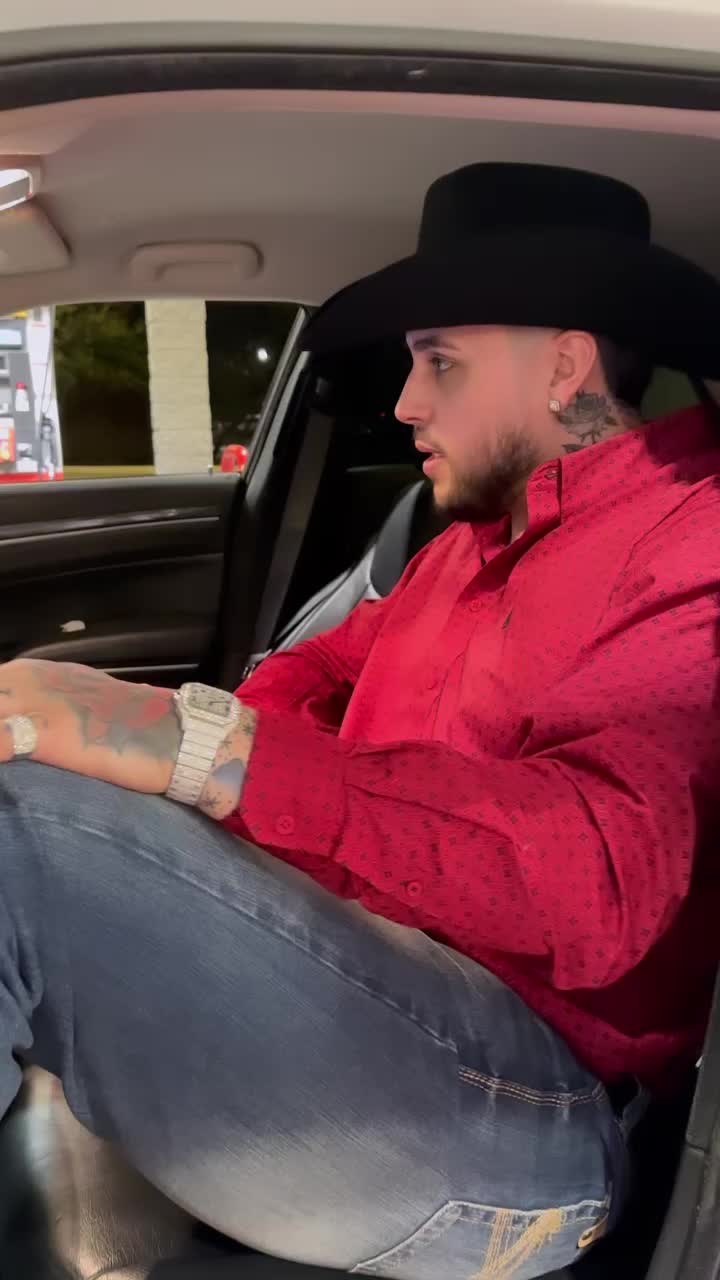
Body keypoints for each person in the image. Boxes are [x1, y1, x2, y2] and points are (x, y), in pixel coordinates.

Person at [1, 162, 720, 1280]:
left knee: (21, 827)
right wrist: (229, 763)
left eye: (441, 362)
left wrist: (202, 749)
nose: (405, 404)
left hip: (533, 1113)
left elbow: (602, 884)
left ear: (564, 364)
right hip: (377, 987)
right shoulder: (457, 552)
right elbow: (309, 670)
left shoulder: (692, 541)